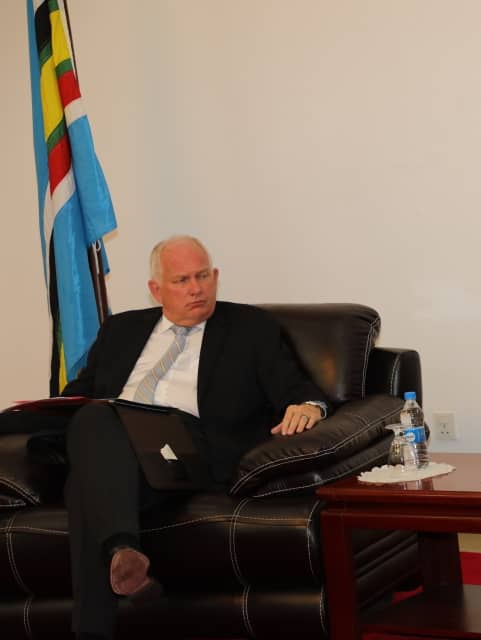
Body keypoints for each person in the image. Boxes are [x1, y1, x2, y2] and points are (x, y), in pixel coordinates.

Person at [60, 236, 331, 640]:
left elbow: (296, 387)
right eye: (182, 280)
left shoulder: (250, 327)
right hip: (121, 457)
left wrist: (311, 406)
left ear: (216, 276)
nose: (196, 288)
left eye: (203, 276)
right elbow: (77, 396)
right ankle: (120, 558)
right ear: (156, 290)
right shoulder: (120, 330)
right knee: (88, 463)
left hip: (187, 451)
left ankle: (115, 557)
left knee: (94, 439)